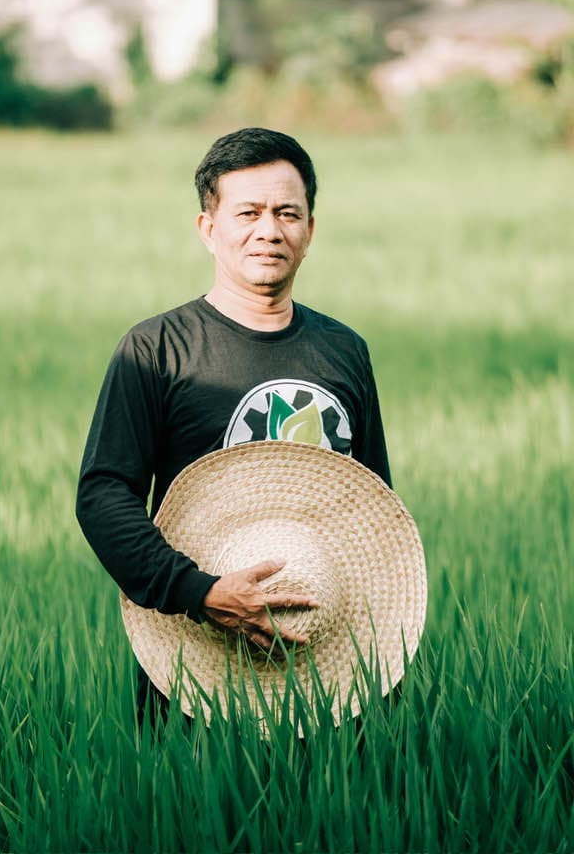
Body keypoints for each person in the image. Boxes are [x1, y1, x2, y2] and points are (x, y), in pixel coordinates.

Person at [75, 127, 392, 727]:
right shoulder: (156, 350)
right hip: (195, 644)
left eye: (287, 213)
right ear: (208, 228)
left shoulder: (345, 350)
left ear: (310, 231)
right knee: (192, 788)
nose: (269, 230)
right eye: (248, 212)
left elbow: (374, 504)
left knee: (344, 789)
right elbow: (103, 494)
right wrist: (199, 593)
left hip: (324, 650)